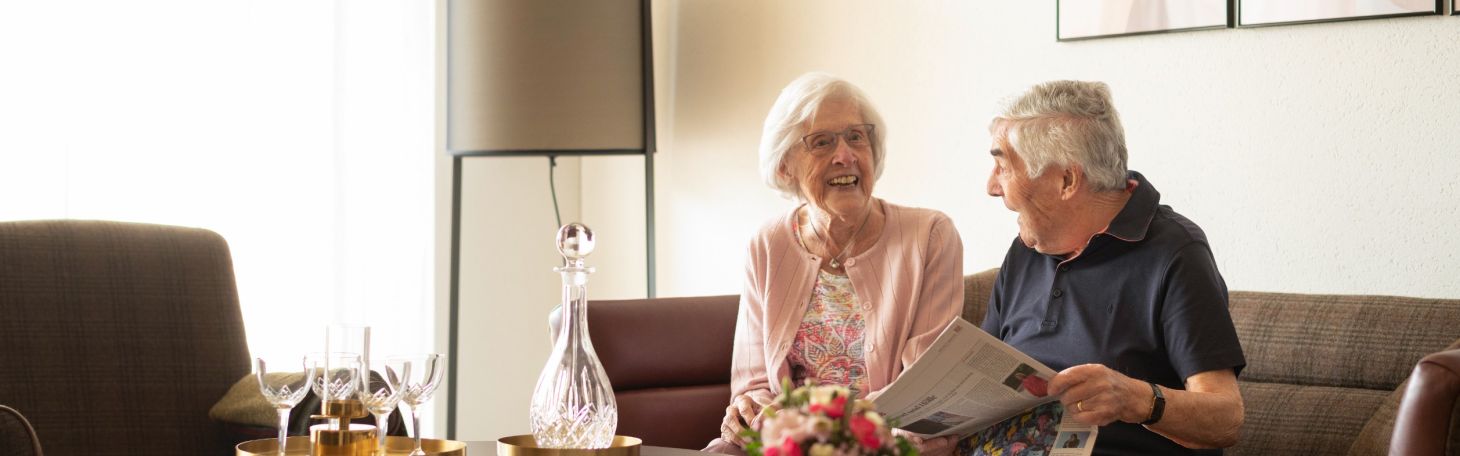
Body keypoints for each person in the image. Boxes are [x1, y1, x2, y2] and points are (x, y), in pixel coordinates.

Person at [978, 80, 1245, 455]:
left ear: (1067, 180)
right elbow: (980, 385)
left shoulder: (1175, 252)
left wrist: (1135, 399)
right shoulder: (1026, 250)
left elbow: (1226, 418)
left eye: (1002, 166)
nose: (991, 186)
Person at [704, 72, 964, 455]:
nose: (846, 156)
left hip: (884, 441)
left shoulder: (929, 236)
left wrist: (818, 422)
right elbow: (752, 384)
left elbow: (923, 387)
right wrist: (748, 412)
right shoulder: (768, 244)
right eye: (822, 143)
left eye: (856, 137)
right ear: (784, 167)